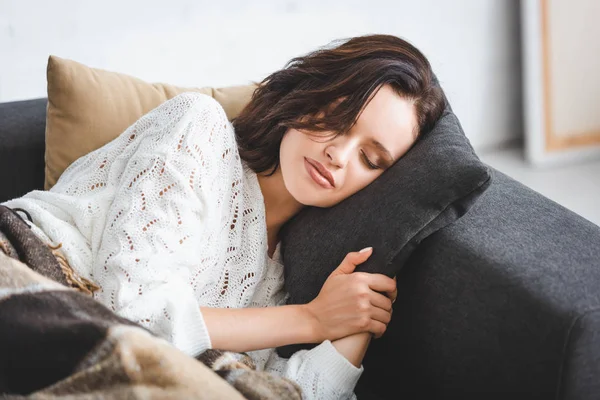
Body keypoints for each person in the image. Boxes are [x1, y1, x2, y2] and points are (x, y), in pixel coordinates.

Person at [1, 34, 445, 399]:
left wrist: (357, 316)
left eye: (370, 159)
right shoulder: (199, 128)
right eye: (338, 117)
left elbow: (287, 391)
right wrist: (314, 319)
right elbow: (133, 310)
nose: (338, 154)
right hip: (22, 266)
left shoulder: (282, 278)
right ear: (311, 92)